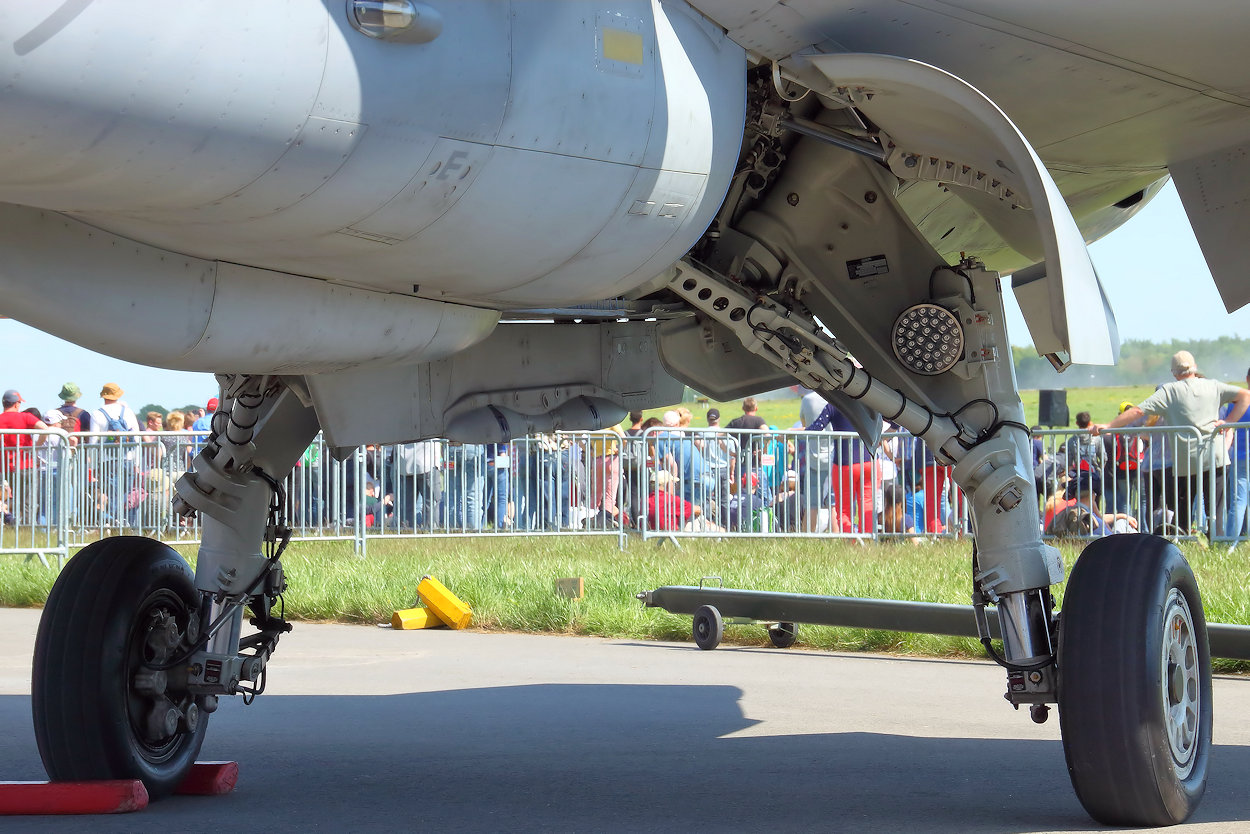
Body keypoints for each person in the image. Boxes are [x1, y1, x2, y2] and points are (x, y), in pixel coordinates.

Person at [1094, 350, 1250, 536]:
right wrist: (1229, 422)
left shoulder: (1169, 391)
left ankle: (1181, 540)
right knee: (1214, 508)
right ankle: (1217, 541)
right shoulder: (1213, 386)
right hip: (1214, 456)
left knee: (1183, 508)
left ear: (1174, 373)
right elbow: (1245, 396)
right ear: (1195, 367)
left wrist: (1109, 426)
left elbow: (1137, 412)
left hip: (1185, 460)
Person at [0, 390, 52, 523]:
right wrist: (36, 447)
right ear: (16, 404)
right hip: (26, 464)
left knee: (16, 497)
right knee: (29, 499)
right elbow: (44, 428)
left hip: (6, 467)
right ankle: (28, 527)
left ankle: (19, 527)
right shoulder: (25, 417)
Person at [1222, 367, 1250, 542]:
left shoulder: (1237, 402)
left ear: (1247, 378)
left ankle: (1231, 541)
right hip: (1240, 456)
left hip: (1239, 455)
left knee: (1238, 501)